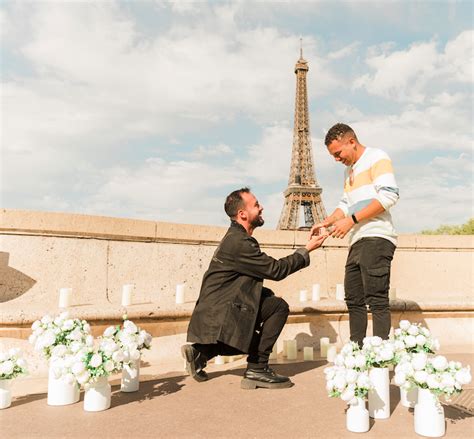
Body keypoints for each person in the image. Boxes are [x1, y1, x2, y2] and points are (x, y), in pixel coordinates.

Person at [182, 187, 327, 390]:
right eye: (256, 205)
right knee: (278, 308)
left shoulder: (237, 238)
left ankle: (202, 352)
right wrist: (307, 249)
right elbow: (276, 270)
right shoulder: (239, 242)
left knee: (270, 304)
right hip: (221, 313)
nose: (261, 208)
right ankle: (257, 368)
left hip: (219, 308)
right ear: (242, 214)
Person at [310, 123, 399, 347]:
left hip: (377, 237)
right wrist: (327, 221)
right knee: (354, 300)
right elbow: (345, 205)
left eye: (338, 153)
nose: (336, 159)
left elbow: (389, 197)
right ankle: (357, 355)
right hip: (357, 240)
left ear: (351, 141)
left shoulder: (377, 157)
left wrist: (350, 221)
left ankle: (379, 357)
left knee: (377, 300)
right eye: (333, 155)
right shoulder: (348, 171)